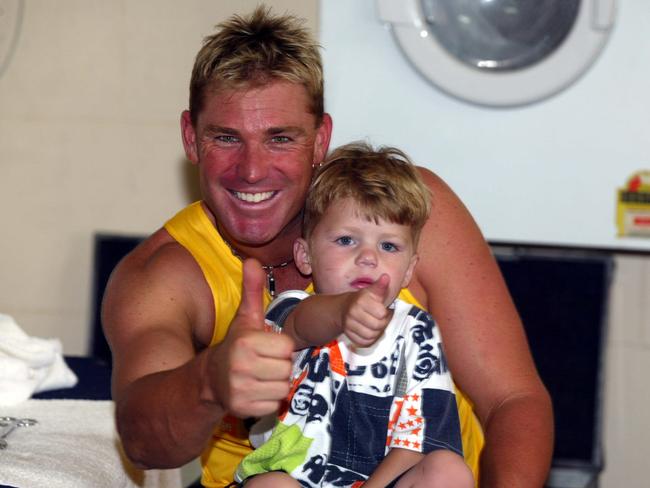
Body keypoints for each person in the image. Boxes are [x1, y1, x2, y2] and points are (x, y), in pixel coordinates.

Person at [101, 5, 553, 488]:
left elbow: (513, 400)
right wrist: (211, 381)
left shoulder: (410, 211)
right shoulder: (163, 276)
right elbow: (142, 442)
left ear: (321, 141)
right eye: (226, 138)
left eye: (280, 139)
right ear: (191, 139)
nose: (252, 170)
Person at [234, 143, 475, 488]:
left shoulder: (416, 332)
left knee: (449, 470)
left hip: (379, 480)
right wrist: (345, 311)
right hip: (294, 476)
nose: (368, 257)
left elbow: (415, 441)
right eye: (347, 240)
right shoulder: (289, 310)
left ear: (409, 271)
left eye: (388, 246)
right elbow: (301, 326)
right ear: (305, 256)